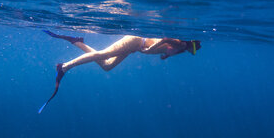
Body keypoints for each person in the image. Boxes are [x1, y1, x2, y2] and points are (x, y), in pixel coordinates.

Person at [38, 30, 201, 113]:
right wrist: (151, 48)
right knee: (104, 54)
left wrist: (164, 56)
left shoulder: (181, 48)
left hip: (135, 47)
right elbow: (164, 39)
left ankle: (78, 42)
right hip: (135, 41)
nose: (189, 50)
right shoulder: (180, 43)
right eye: (191, 48)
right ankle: (64, 67)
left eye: (191, 49)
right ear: (190, 43)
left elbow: (165, 49)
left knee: (107, 65)